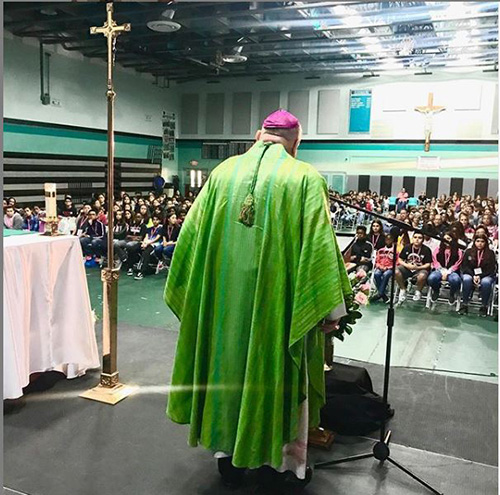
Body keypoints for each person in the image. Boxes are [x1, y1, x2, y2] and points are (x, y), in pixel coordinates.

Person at [164, 109, 352, 491]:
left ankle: (227, 460)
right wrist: (331, 311)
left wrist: (198, 297)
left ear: (257, 135)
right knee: (277, 378)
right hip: (276, 311)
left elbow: (189, 241)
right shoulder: (304, 178)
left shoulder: (221, 174)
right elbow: (319, 248)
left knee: (225, 371)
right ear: (296, 142)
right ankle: (282, 466)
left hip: (222, 311)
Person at [459, 234, 497, 317]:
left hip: (486, 275)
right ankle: (464, 304)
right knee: (466, 279)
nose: (480, 243)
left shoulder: (490, 253)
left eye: (482, 241)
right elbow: (464, 266)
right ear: (474, 242)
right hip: (470, 273)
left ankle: (484, 306)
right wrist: (473, 275)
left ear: (486, 243)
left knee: (486, 282)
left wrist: (480, 276)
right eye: (478, 241)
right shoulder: (468, 251)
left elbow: (491, 269)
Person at [395, 231, 433, 304]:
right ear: (412, 238)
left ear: (423, 239)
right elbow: (400, 259)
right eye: (415, 237)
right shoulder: (407, 247)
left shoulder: (426, 249)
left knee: (422, 275)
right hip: (407, 268)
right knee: (395, 271)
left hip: (420, 269)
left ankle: (418, 291)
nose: (417, 239)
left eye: (419, 238)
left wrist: (418, 268)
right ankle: (403, 289)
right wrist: (407, 265)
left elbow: (428, 264)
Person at [427, 231, 463, 305]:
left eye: (448, 238)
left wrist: (448, 272)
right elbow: (435, 261)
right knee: (431, 278)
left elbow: (458, 263)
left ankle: (452, 294)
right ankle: (436, 291)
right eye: (445, 239)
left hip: (452, 271)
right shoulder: (437, 249)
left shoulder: (458, 251)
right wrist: (442, 271)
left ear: (452, 239)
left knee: (455, 280)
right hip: (439, 270)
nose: (446, 240)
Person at [133, 214, 163, 280]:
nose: (155, 221)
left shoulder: (161, 228)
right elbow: (146, 236)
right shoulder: (149, 228)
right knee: (134, 248)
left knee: (145, 252)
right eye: (153, 220)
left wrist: (147, 243)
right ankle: (132, 267)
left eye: (156, 220)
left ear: (159, 220)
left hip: (155, 244)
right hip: (147, 242)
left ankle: (142, 272)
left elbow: (157, 238)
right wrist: (144, 243)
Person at [371, 233, 397, 303]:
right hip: (381, 267)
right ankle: (383, 294)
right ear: (385, 240)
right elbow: (376, 261)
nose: (388, 241)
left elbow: (397, 262)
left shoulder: (396, 251)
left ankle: (380, 293)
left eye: (390, 239)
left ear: (393, 240)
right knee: (376, 274)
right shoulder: (380, 250)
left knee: (386, 274)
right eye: (387, 239)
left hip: (390, 269)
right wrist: (380, 266)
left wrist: (388, 267)